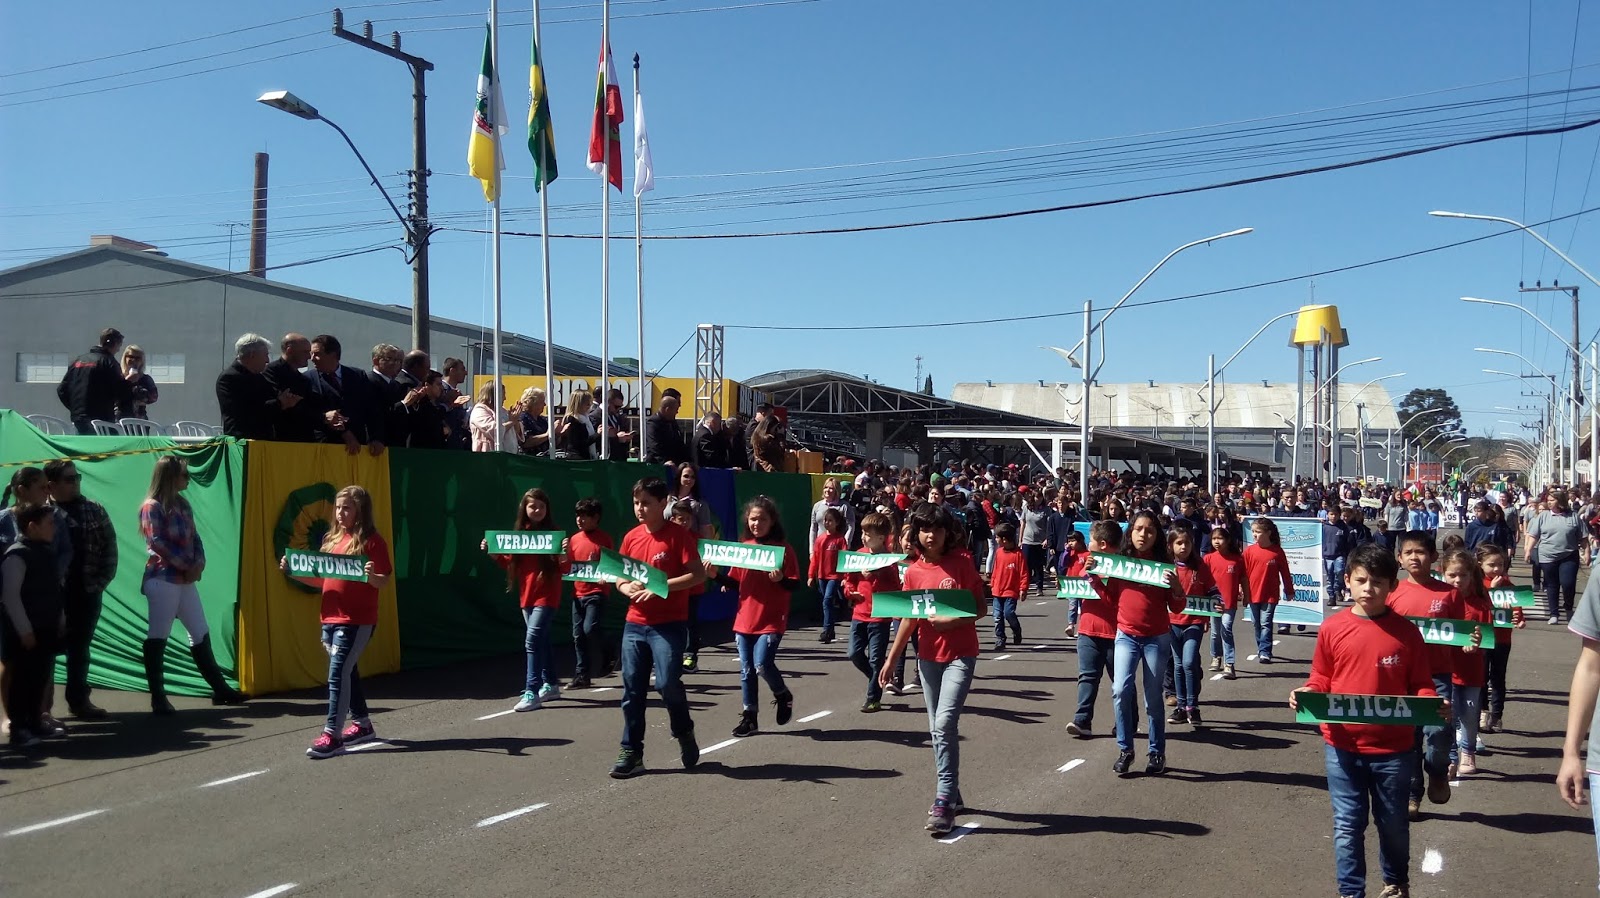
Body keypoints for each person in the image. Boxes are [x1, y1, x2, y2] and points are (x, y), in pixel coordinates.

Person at [1290, 543, 1444, 898]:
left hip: (1394, 750)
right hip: (1342, 746)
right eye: (1361, 580)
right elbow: (1321, 677)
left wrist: (1431, 703)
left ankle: (1396, 881)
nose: (1368, 588)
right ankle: (1350, 891)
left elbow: (1421, 684)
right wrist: (1308, 691)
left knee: (1393, 824)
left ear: (1392, 586)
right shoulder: (1332, 628)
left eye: (1377, 582)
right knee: (1347, 825)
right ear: (1347, 580)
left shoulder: (1407, 633)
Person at [878, 502, 987, 835]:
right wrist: (892, 658)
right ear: (916, 533)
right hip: (928, 658)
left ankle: (943, 801)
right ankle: (953, 791)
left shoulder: (962, 563)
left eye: (937, 529)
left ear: (946, 532)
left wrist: (952, 620)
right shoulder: (913, 572)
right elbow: (909, 619)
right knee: (938, 729)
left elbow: (980, 608)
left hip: (961, 655)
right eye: (924, 529)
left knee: (943, 724)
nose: (931, 535)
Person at [282, 486, 392, 759]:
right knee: (347, 671)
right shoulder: (331, 540)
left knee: (337, 674)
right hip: (329, 618)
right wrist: (294, 572)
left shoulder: (372, 542)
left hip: (356, 620)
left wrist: (371, 577)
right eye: (338, 508)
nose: (340, 513)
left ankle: (332, 735)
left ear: (360, 511)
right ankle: (363, 724)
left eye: (347, 508)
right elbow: (322, 580)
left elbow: (383, 581)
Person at [610, 476, 708, 779]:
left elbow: (697, 575)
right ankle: (631, 751)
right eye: (636, 503)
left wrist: (660, 585)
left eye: (646, 503)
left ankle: (684, 730)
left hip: (668, 625)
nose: (640, 509)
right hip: (635, 624)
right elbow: (619, 574)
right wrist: (624, 587)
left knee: (666, 684)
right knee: (632, 690)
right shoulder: (631, 537)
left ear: (663, 503)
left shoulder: (678, 536)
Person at [138, 456, 245, 713]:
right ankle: (158, 697)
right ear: (170, 477)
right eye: (184, 475)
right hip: (163, 578)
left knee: (199, 630)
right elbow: (157, 543)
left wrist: (198, 563)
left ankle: (220, 689)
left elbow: (195, 537)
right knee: (158, 634)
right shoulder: (152, 507)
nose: (188, 479)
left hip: (184, 578)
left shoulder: (183, 504)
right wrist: (187, 566)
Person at [1088, 510, 1185, 776]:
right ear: (1130, 532)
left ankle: (1156, 752)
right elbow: (1111, 599)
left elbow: (1177, 606)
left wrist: (1177, 588)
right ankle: (1125, 749)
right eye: (1139, 529)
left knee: (1153, 697)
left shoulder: (1164, 566)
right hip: (1126, 636)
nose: (1144, 534)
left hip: (1156, 638)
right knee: (1120, 690)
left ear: (1157, 535)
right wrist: (1094, 577)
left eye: (1150, 530)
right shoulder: (1121, 563)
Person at [1386, 530, 1459, 819]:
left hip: (1437, 675)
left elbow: (1463, 632)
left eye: (1420, 552)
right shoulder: (1392, 592)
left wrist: (1471, 643)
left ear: (1434, 557)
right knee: (1409, 738)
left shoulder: (1449, 593)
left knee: (1438, 732)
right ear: (1399, 559)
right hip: (1401, 676)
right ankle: (1412, 793)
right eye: (1408, 552)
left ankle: (1437, 770)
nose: (1414, 557)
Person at [720, 496, 800, 737]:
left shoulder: (783, 549)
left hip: (771, 619)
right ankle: (750, 717)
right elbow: (734, 581)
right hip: (744, 619)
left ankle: (782, 694)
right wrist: (715, 576)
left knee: (762, 664)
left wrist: (780, 580)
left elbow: (794, 584)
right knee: (746, 670)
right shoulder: (744, 548)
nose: (757, 523)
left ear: (772, 521)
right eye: (753, 519)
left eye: (762, 519)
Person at [43, 460, 116, 720]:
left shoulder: (93, 509)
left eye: (77, 477)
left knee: (80, 651)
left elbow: (110, 548)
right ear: (51, 485)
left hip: (86, 591)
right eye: (69, 479)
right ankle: (42, 710)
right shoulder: (41, 512)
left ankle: (79, 701)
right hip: (50, 596)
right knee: (46, 652)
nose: (75, 483)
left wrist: (99, 584)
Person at [485, 488, 568, 712]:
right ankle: (551, 685)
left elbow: (565, 568)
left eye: (541, 506)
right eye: (533, 506)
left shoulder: (555, 534)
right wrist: (494, 554)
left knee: (532, 641)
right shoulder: (520, 534)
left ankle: (532, 691)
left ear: (547, 509)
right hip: (527, 596)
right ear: (525, 508)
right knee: (543, 640)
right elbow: (510, 563)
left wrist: (563, 555)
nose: (537, 510)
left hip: (547, 596)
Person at [1, 505, 62, 749]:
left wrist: (60, 619)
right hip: (26, 632)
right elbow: (10, 596)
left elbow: (54, 591)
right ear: (32, 527)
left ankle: (36, 722)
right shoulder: (16, 555)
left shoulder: (46, 552)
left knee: (39, 677)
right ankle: (19, 729)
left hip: (46, 627)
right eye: (49, 523)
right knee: (22, 680)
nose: (54, 528)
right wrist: (25, 630)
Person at [1439, 549, 1491, 777]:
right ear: (1443, 574)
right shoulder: (1439, 602)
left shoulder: (1480, 604)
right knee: (1447, 715)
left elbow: (1487, 639)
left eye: (1463, 575)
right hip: (1444, 670)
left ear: (1471, 576)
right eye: (1452, 575)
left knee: (1469, 714)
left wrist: (1477, 644)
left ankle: (1468, 751)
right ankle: (1451, 756)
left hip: (1471, 670)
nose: (1458, 580)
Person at [1066, 521, 1118, 738]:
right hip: (1088, 629)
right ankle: (1082, 720)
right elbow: (1079, 589)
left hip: (1115, 633)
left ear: (1103, 544)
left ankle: (1127, 720)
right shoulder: (1088, 563)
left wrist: (1094, 578)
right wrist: (1085, 574)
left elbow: (1113, 600)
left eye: (1091, 541)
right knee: (1087, 677)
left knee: (1120, 683)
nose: (1088, 545)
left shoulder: (1120, 568)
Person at [844, 512, 899, 713]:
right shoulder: (859, 554)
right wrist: (850, 591)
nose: (864, 537)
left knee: (876, 659)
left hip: (879, 617)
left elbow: (895, 586)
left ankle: (873, 698)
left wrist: (877, 574)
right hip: (859, 614)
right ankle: (876, 678)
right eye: (863, 533)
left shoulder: (889, 561)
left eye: (868, 534)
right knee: (854, 653)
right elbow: (849, 580)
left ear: (881, 538)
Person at [1168, 520, 1217, 728]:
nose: (1183, 547)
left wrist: (1217, 603)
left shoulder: (1200, 566)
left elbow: (1213, 591)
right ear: (1171, 545)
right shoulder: (1166, 568)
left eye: (1187, 543)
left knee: (1189, 662)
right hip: (1172, 623)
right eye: (1179, 543)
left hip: (1194, 622)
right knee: (1178, 664)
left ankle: (1193, 705)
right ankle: (1181, 706)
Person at [305, 334, 384, 455]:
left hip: (358, 447)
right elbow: (308, 413)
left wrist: (376, 438)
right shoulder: (307, 379)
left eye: (317, 354)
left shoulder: (357, 375)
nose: (312, 358)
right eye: (311, 354)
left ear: (333, 355)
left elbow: (371, 408)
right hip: (324, 447)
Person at [566, 498, 613, 689]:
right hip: (578, 594)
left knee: (590, 628)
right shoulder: (573, 540)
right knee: (578, 635)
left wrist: (604, 574)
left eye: (584, 516)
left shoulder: (605, 539)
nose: (579, 519)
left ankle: (609, 651)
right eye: (578, 515)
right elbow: (567, 565)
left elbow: (611, 565)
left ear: (596, 518)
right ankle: (582, 675)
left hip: (597, 592)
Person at [1475, 543, 1523, 734]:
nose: (1496, 569)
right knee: (1481, 676)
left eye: (1500, 565)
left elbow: (1518, 610)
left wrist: (1519, 620)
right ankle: (1482, 711)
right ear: (1480, 564)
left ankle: (1497, 715)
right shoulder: (1476, 586)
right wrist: (1491, 592)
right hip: (1483, 637)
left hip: (1502, 639)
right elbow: (1476, 608)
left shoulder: (1509, 586)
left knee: (1498, 677)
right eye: (1491, 565)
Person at [217, 333, 297, 440]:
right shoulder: (229, 378)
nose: (267, 360)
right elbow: (247, 412)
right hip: (242, 442)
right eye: (265, 355)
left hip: (263, 441)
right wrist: (280, 403)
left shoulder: (260, 378)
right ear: (252, 355)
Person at [1527, 489, 1588, 625]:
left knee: (1568, 583)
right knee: (1551, 585)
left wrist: (1587, 553)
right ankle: (1554, 613)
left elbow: (1583, 538)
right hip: (1547, 556)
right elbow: (1533, 535)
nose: (1549, 503)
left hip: (1569, 555)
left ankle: (1568, 607)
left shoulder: (1573, 517)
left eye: (1552, 500)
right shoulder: (1543, 516)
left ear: (1560, 501)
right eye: (1548, 500)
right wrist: (1528, 550)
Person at [56, 327, 134, 433]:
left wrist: (76, 409)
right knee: (110, 443)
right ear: (114, 343)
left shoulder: (78, 361)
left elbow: (62, 390)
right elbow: (120, 391)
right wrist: (129, 382)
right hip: (101, 422)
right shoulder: (108, 362)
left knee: (83, 443)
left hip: (79, 420)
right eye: (119, 346)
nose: (118, 350)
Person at [1243, 518, 1294, 663]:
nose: (1254, 535)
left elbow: (1285, 572)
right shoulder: (1249, 551)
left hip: (1270, 594)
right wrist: (1242, 589)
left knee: (1266, 622)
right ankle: (1261, 646)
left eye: (1258, 532)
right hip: (1253, 593)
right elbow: (1243, 573)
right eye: (1253, 532)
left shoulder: (1277, 552)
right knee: (1256, 623)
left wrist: (1289, 590)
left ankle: (1265, 651)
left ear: (1268, 533)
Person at [1205, 526, 1245, 680]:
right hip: (1213, 603)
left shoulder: (1237, 559)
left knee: (1226, 629)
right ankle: (1216, 657)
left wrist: (1246, 596)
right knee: (1215, 632)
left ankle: (1229, 663)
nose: (1217, 542)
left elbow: (1243, 579)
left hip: (1229, 602)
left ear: (1228, 540)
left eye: (1220, 538)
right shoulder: (1208, 558)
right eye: (1214, 539)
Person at [263, 333, 319, 443]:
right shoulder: (270, 372)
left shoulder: (304, 380)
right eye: (305, 352)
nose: (309, 357)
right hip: (279, 440)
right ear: (289, 350)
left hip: (302, 440)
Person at [807, 507, 849, 644]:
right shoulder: (820, 539)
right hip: (822, 576)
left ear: (837, 522)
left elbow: (844, 559)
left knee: (827, 600)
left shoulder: (840, 540)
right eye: (825, 520)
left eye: (830, 520)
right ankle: (830, 629)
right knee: (827, 602)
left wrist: (845, 577)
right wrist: (811, 575)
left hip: (835, 576)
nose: (827, 523)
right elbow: (815, 559)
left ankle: (826, 629)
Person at [988, 522, 1026, 651]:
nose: (996, 539)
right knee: (997, 616)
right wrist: (992, 583)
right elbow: (995, 569)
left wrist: (1023, 588)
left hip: (1010, 591)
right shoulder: (999, 552)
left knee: (1008, 613)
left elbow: (1024, 573)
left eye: (997, 537)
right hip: (997, 590)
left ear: (1004, 539)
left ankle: (1016, 629)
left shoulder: (1018, 555)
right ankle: (1000, 638)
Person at [808, 478, 858, 550]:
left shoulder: (844, 506)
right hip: (820, 545)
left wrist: (845, 545)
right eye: (826, 487)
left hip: (837, 547)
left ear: (837, 491)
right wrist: (812, 550)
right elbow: (813, 528)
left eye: (831, 488)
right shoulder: (817, 506)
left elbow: (850, 527)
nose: (827, 490)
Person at [644, 394, 691, 466]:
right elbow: (654, 445)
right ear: (667, 409)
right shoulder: (653, 422)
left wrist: (688, 461)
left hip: (674, 464)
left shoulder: (672, 422)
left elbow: (679, 443)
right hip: (658, 464)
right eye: (676, 410)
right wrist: (664, 462)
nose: (677, 412)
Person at [115, 343, 159, 420]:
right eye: (131, 357)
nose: (134, 360)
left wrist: (138, 390)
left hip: (139, 420)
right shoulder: (118, 376)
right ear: (125, 358)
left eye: (137, 358)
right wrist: (127, 381)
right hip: (120, 419)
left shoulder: (146, 379)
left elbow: (153, 397)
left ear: (142, 361)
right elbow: (114, 396)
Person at [469, 381, 516, 453]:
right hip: (487, 455)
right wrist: (511, 422)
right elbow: (493, 431)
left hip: (506, 454)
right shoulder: (479, 411)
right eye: (502, 395)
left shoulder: (502, 410)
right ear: (493, 395)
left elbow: (515, 432)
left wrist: (516, 419)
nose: (505, 398)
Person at [553, 390, 601, 460]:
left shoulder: (586, 419)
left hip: (586, 457)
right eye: (587, 403)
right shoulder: (572, 420)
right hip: (575, 458)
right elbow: (579, 444)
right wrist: (597, 434)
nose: (589, 406)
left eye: (590, 403)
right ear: (578, 404)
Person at [516, 386, 551, 456]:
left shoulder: (543, 420)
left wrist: (558, 433)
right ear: (532, 403)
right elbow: (525, 442)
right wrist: (547, 435)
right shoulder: (522, 418)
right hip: (528, 459)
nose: (545, 404)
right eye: (542, 401)